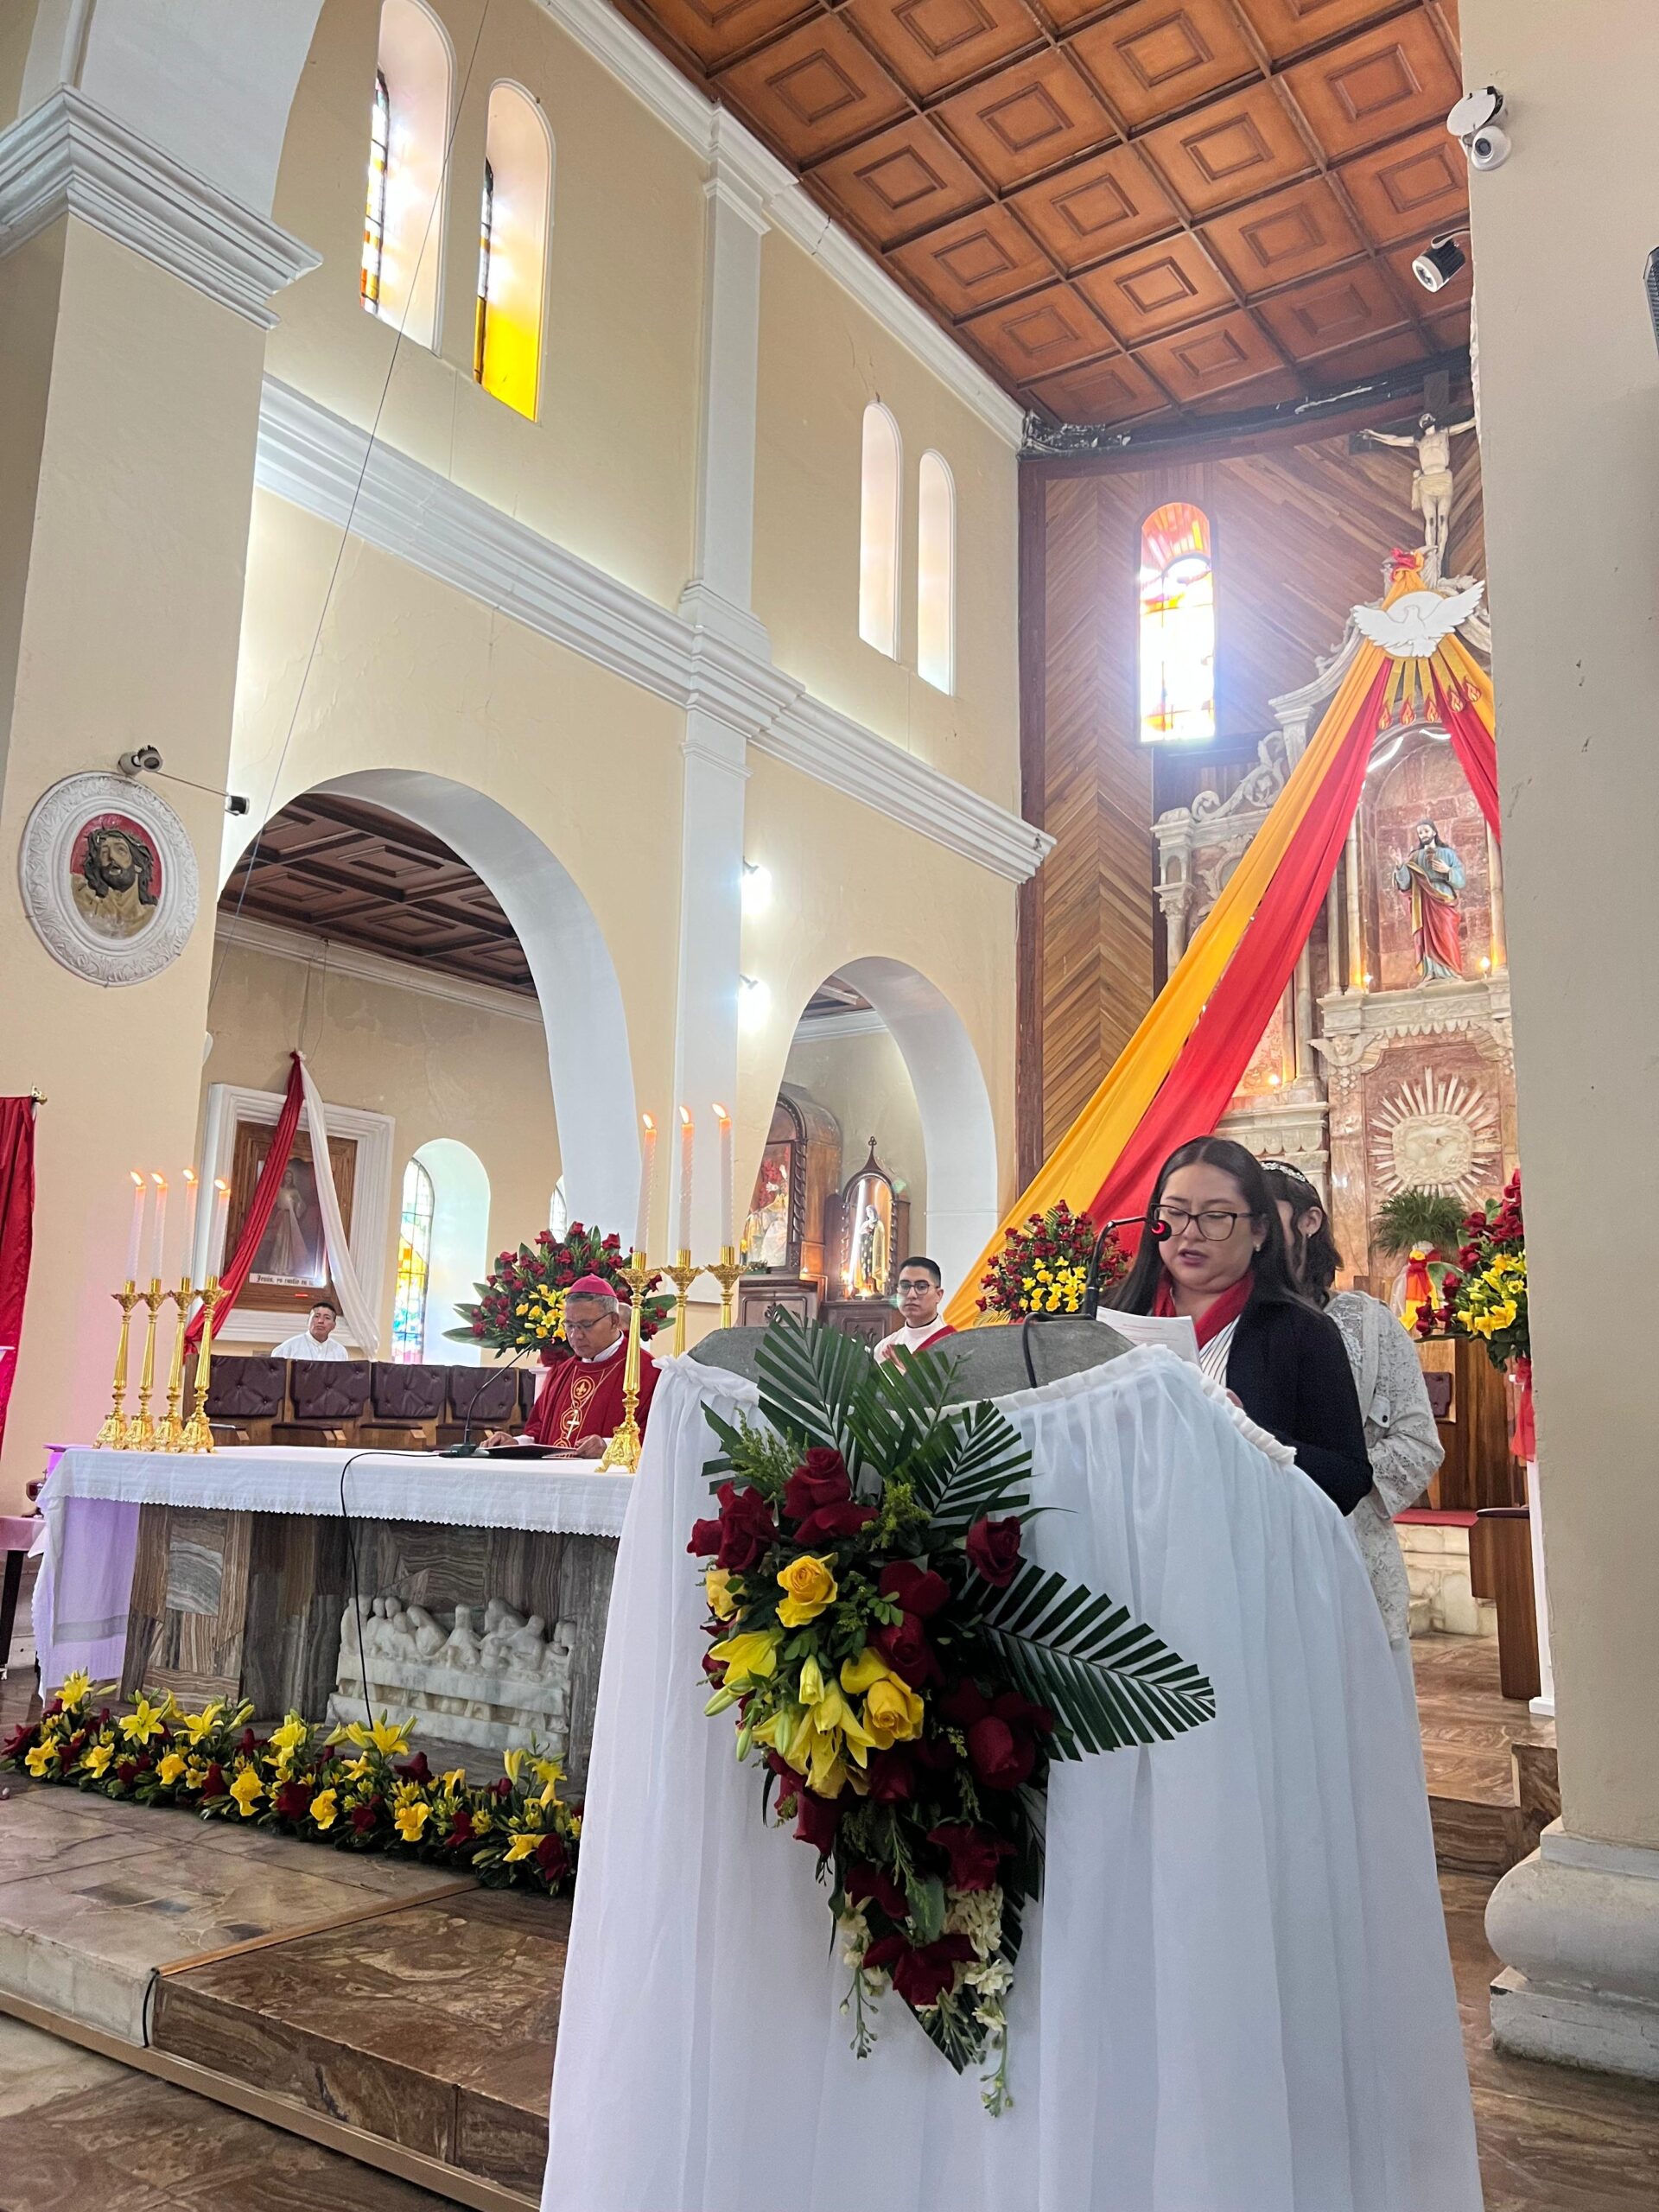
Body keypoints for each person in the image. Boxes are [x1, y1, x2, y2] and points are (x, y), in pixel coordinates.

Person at [1109, 1136, 1371, 1515]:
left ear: (1260, 1230)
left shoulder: (1302, 1331)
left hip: (1249, 1538)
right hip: (1124, 1535)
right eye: (1175, 1212)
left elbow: (1348, 1480)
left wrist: (1249, 1435)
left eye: (1216, 1216)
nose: (1190, 1232)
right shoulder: (1109, 1315)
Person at [1262, 1163, 1442, 1649]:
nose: (1255, 1232)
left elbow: (1418, 1442)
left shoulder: (1367, 1323)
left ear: (1309, 1221)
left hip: (1348, 1541)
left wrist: (1327, 1477)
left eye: (1266, 1215)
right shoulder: (1227, 1322)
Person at [482, 1276, 658, 1453]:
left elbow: (658, 1438)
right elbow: (538, 1430)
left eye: (586, 1325)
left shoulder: (647, 1372)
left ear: (614, 1321)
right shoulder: (562, 1372)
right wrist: (516, 1443)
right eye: (570, 1325)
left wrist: (608, 1447)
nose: (575, 1336)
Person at [874, 1256, 957, 1367]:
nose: (911, 1295)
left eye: (921, 1287)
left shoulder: (953, 1345)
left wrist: (903, 1374)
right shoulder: (884, 1348)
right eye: (905, 1286)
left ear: (939, 1295)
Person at [270, 1300, 348, 1361]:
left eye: (327, 1318)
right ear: (308, 1321)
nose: (320, 1321)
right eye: (316, 1316)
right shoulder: (287, 1348)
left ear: (334, 1326)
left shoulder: (340, 1351)